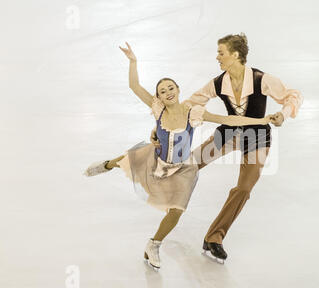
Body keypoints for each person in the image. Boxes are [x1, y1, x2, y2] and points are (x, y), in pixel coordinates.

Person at [84, 42, 275, 269]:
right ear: (159, 97)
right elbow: (134, 86)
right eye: (162, 91)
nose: (168, 92)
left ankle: (153, 244)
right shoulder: (158, 109)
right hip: (157, 161)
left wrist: (261, 121)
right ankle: (105, 165)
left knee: (177, 211)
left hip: (182, 170)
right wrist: (133, 62)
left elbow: (229, 120)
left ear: (178, 89)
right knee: (129, 158)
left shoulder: (193, 112)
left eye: (171, 88)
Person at [151, 33, 303, 262]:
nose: (217, 57)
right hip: (229, 133)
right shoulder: (219, 82)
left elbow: (294, 95)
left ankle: (214, 237)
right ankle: (167, 199)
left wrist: (282, 114)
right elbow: (190, 103)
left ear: (235, 55)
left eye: (221, 53)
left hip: (257, 138)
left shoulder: (262, 79)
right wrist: (162, 124)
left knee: (243, 189)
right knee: (189, 164)